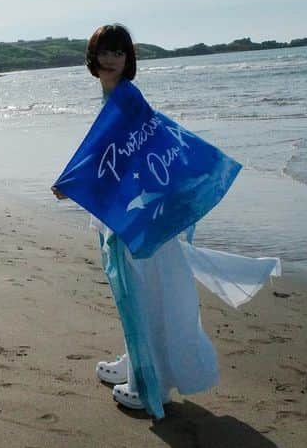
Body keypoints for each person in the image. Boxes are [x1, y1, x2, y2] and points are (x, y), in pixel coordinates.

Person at [53, 23, 280, 417]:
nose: (111, 59)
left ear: (129, 59)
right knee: (132, 294)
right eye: (104, 52)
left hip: (137, 219)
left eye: (118, 53)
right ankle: (136, 358)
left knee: (144, 294)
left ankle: (149, 383)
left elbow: (141, 150)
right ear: (93, 58)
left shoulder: (127, 100)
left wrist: (73, 183)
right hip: (127, 215)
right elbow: (111, 156)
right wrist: (77, 182)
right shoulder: (113, 98)